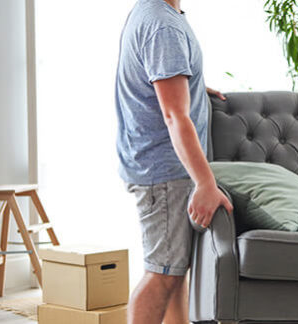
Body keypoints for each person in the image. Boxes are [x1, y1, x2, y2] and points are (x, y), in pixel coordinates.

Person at [114, 0, 232, 323]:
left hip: (159, 167)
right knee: (161, 275)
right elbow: (173, 115)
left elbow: (159, 82)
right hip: (165, 173)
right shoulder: (162, 25)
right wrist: (206, 183)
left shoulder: (154, 12)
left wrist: (188, 85)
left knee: (174, 273)